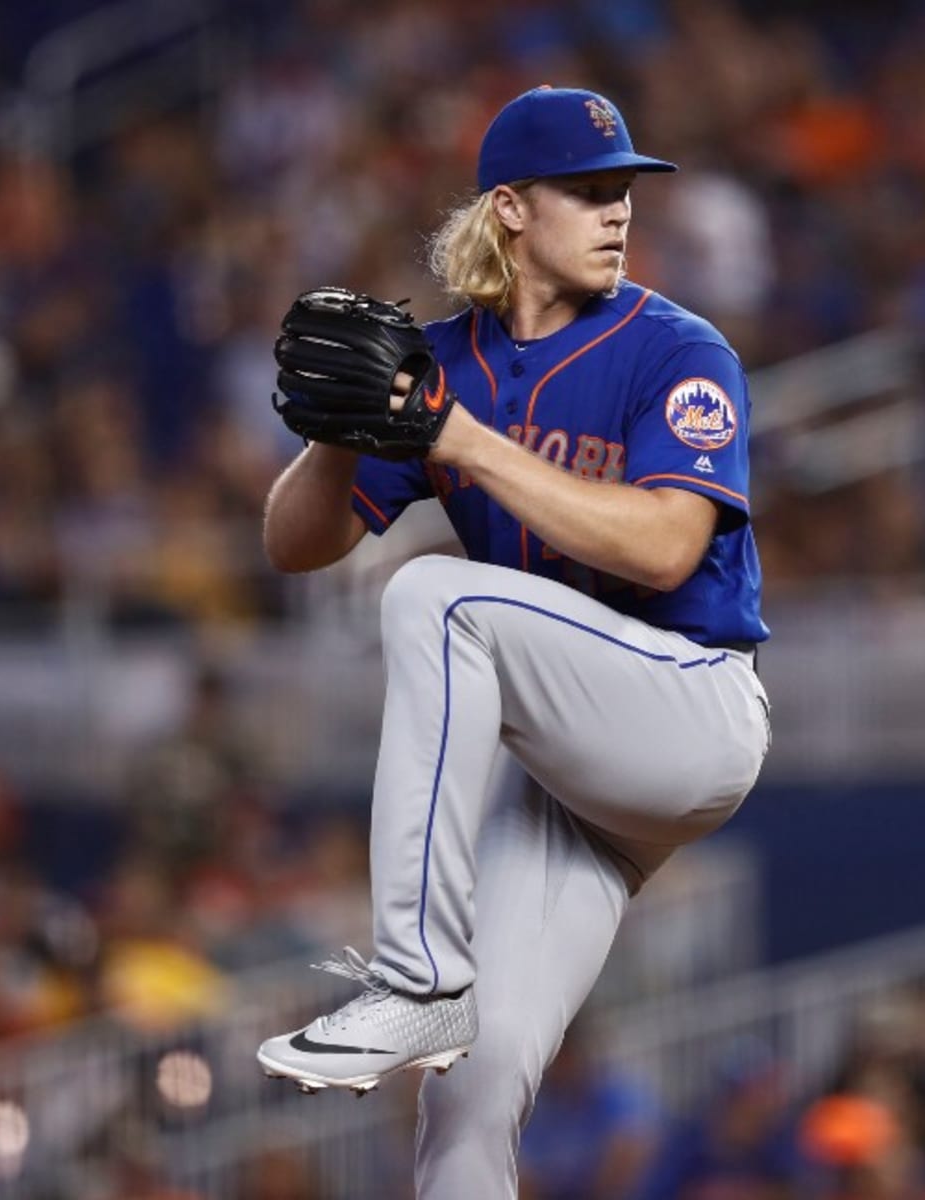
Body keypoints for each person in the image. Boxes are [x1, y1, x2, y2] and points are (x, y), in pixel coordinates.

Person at [254, 84, 772, 1200]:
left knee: (438, 596)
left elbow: (671, 548)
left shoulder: (677, 350)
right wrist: (336, 438)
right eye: (587, 192)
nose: (618, 212)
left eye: (623, 190)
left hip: (691, 714)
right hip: (573, 782)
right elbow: (294, 545)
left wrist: (464, 443)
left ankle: (417, 974)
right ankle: (439, 1011)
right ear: (510, 210)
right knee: (471, 1087)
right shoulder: (449, 365)